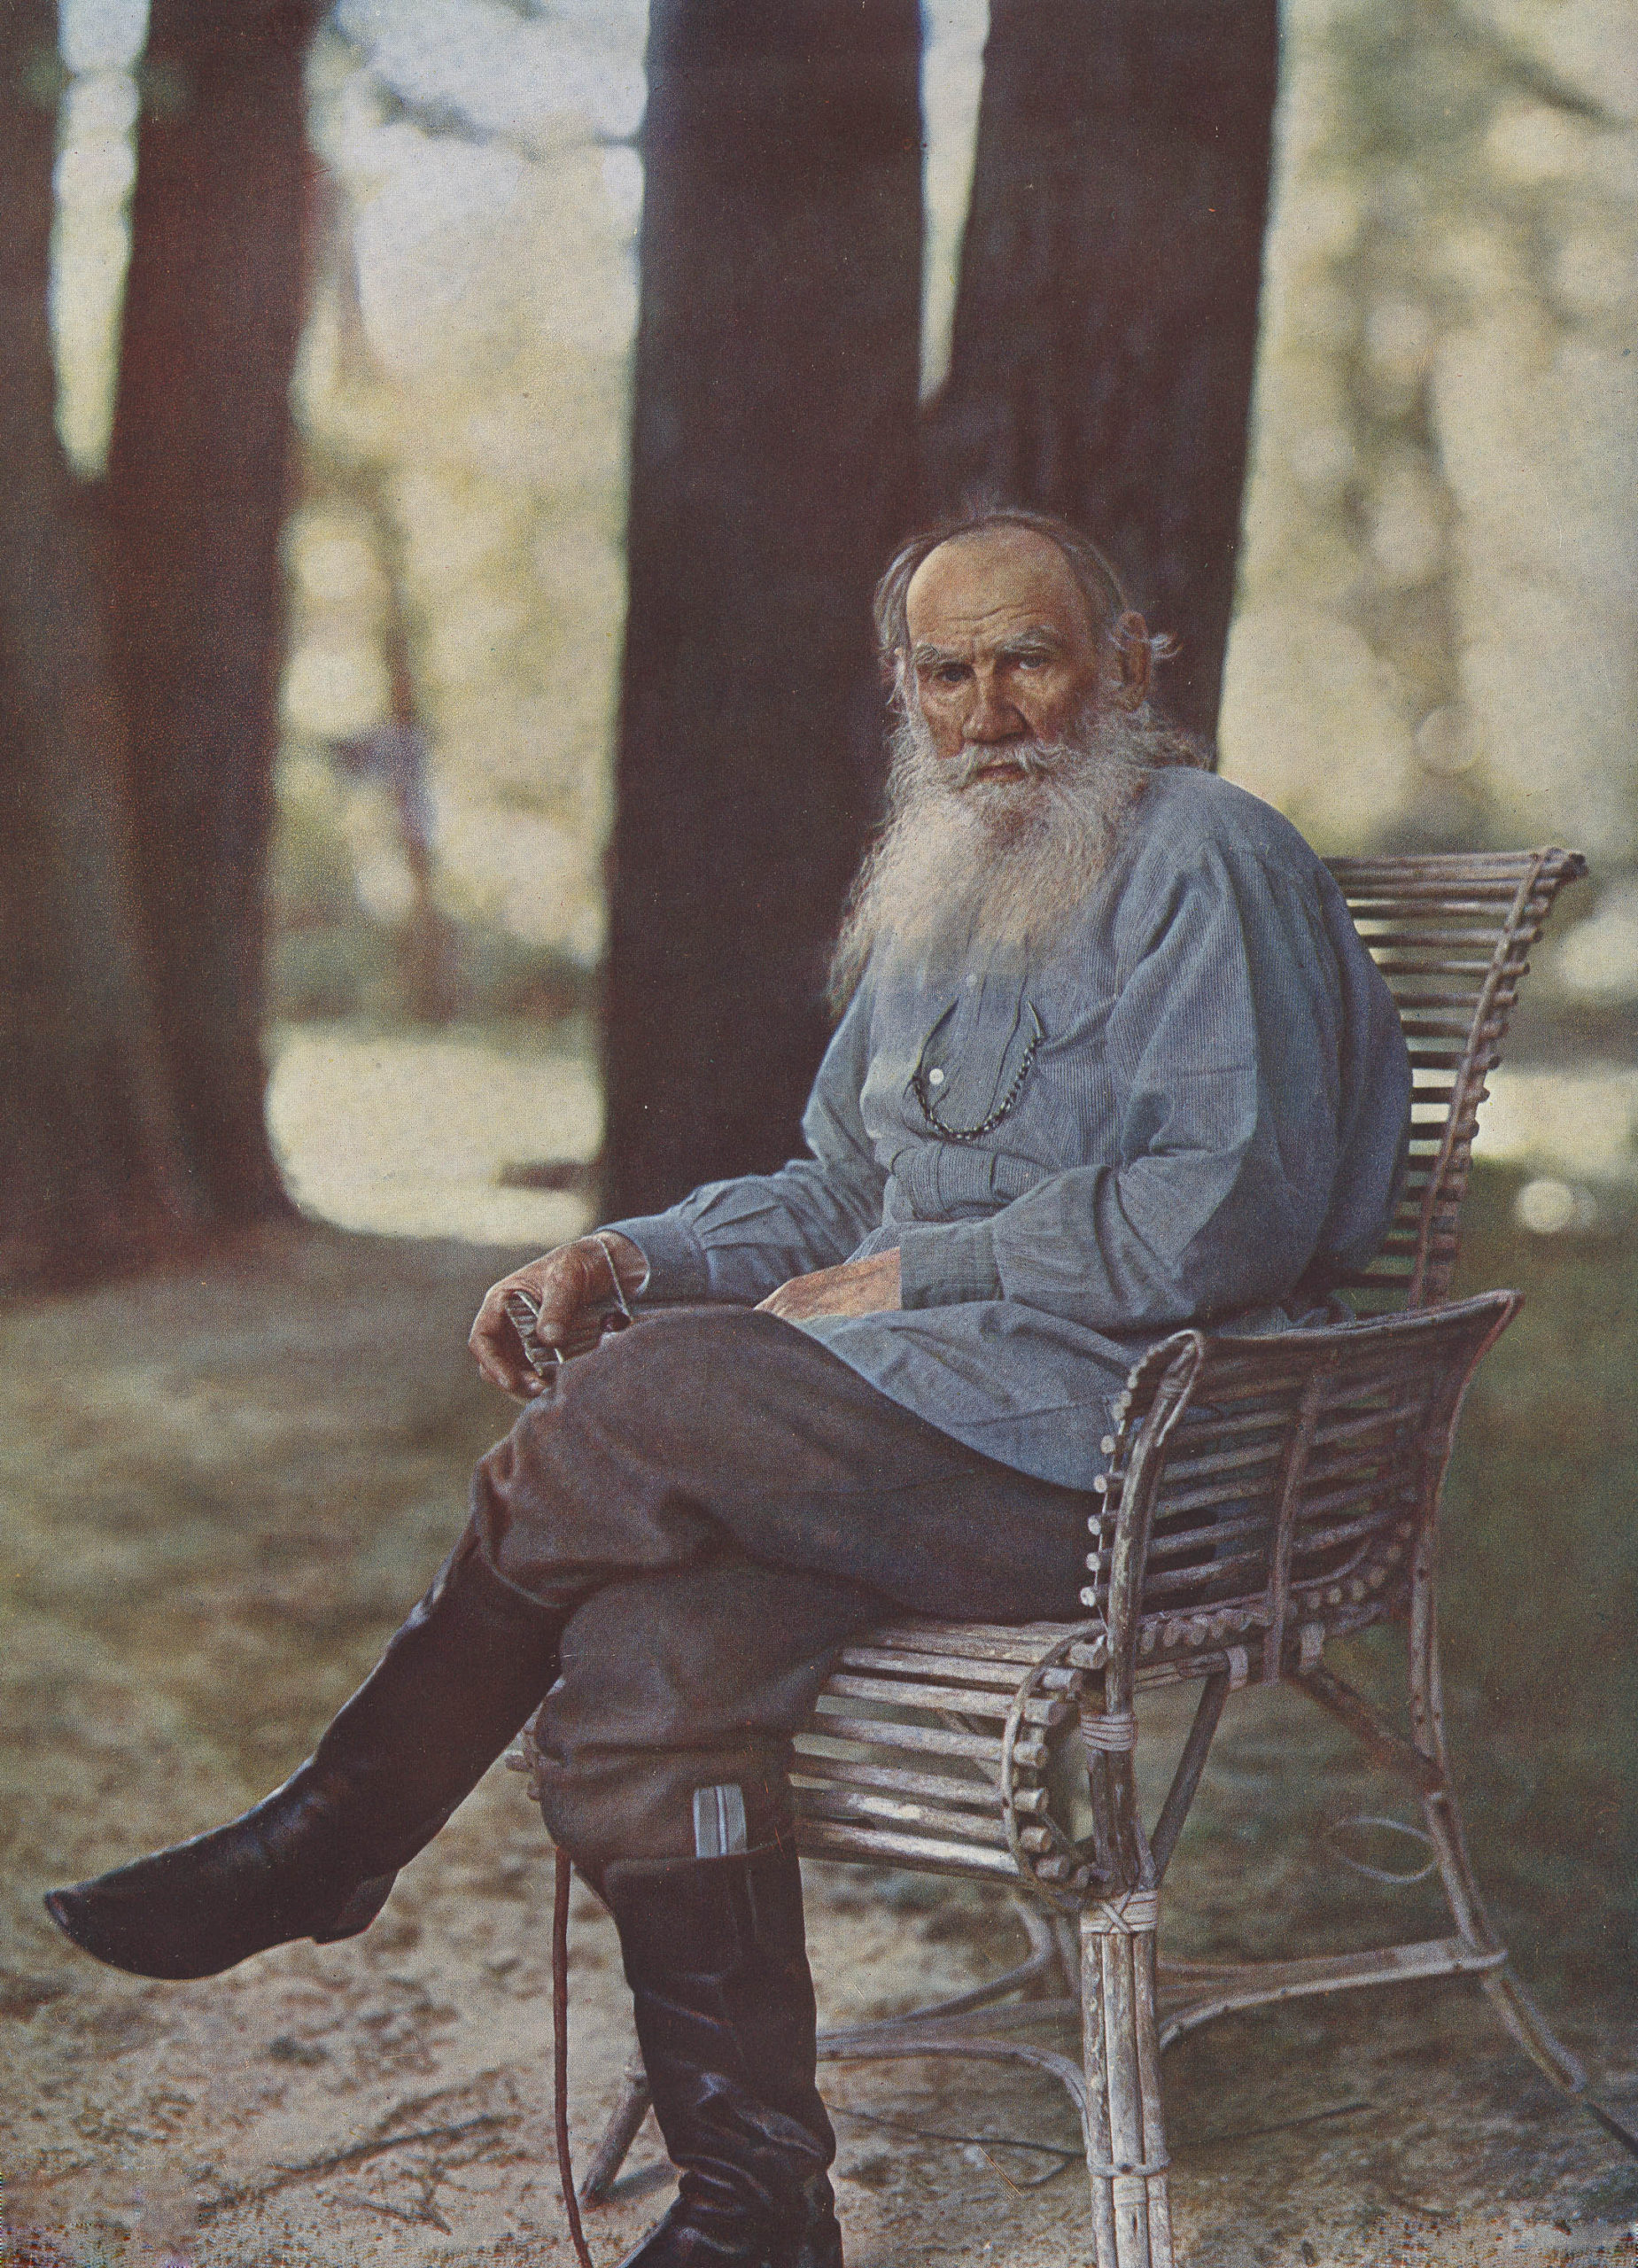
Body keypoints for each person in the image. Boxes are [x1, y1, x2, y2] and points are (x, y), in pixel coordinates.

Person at [46, 509, 1411, 2268]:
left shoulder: (1206, 854)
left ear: (1133, 663)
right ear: (903, 693)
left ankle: (337, 1821)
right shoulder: (952, 880)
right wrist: (624, 1258)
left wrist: (930, 1266)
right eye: (945, 669)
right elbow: (833, 1187)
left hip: (1119, 1459)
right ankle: (758, 2198)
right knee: (638, 1656)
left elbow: (1230, 1206)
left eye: (1031, 656)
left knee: (663, 1394)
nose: (988, 706)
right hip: (897, 1440)